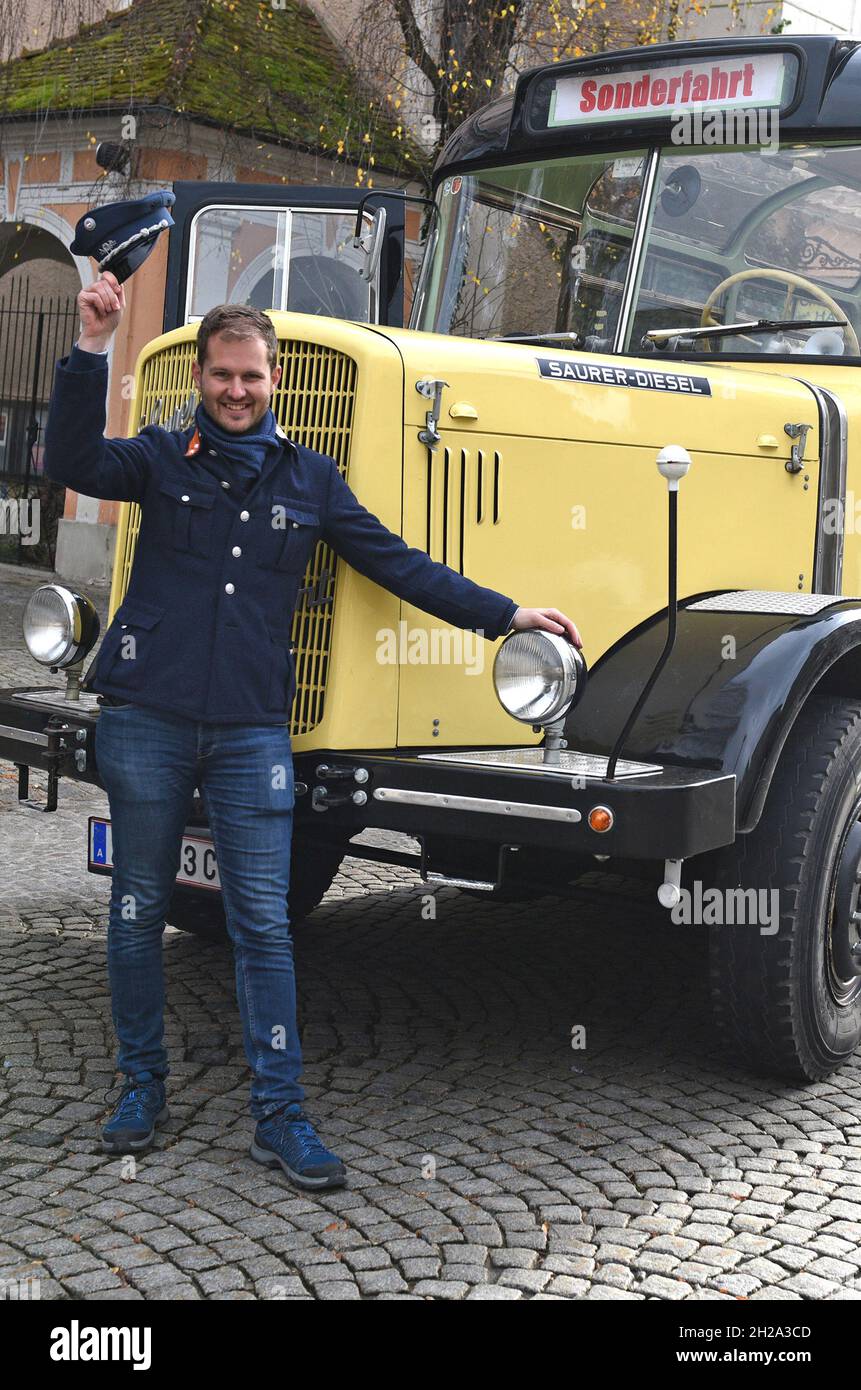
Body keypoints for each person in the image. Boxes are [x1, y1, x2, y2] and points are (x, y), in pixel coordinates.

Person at [44, 270, 582, 1191]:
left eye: (252, 376)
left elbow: (399, 565)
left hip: (255, 728)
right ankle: (140, 1089)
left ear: (273, 380)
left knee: (263, 925)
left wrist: (506, 615)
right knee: (136, 914)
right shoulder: (159, 457)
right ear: (202, 378)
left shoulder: (311, 480)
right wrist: (93, 346)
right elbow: (72, 463)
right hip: (148, 718)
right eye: (222, 375)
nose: (237, 390)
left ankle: (280, 1115)